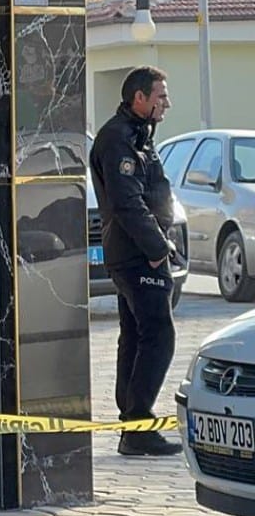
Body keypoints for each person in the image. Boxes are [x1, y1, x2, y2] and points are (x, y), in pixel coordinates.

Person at [90, 66, 181, 456]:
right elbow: (127, 202)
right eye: (161, 95)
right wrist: (157, 249)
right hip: (138, 256)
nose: (167, 103)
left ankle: (132, 426)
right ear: (139, 98)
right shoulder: (118, 139)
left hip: (138, 254)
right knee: (159, 335)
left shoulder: (138, 133)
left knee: (136, 335)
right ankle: (138, 423)